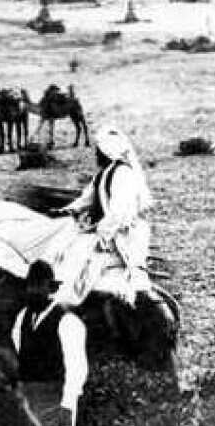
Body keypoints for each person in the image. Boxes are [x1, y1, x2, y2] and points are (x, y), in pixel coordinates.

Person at [51, 124, 154, 307]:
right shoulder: (104, 174)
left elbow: (119, 211)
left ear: (107, 151)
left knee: (84, 256)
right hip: (107, 229)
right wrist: (68, 210)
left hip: (122, 233)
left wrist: (103, 233)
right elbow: (87, 198)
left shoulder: (123, 174)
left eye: (98, 150)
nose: (96, 155)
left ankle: (74, 299)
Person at [12, 260, 87, 426]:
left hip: (57, 397)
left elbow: (76, 368)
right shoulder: (23, 317)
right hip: (29, 395)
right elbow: (20, 352)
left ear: (50, 288)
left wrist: (67, 406)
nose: (34, 291)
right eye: (31, 286)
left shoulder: (67, 320)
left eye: (39, 286)